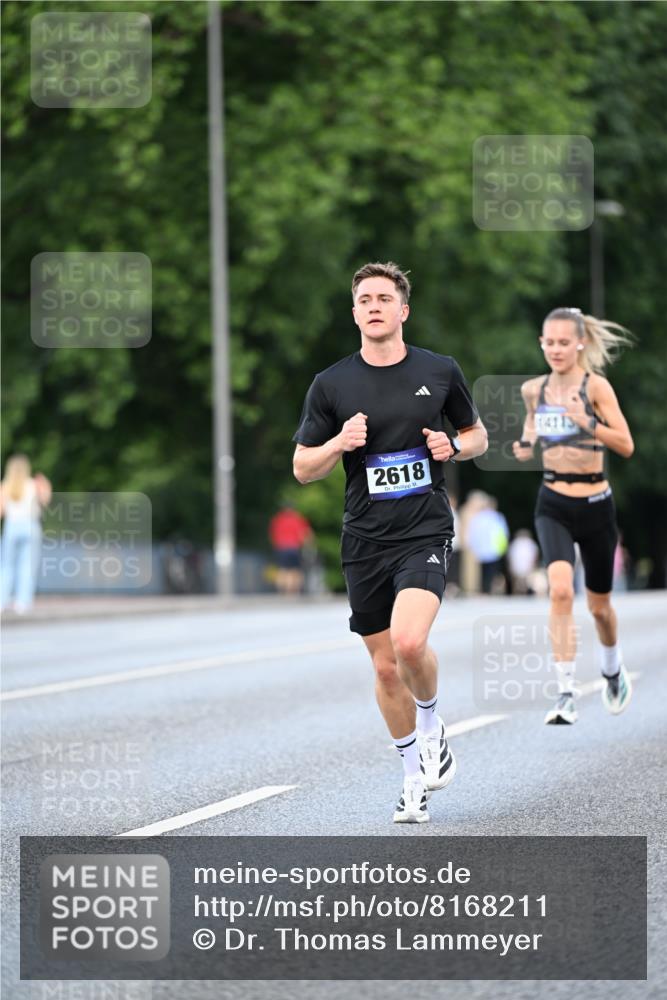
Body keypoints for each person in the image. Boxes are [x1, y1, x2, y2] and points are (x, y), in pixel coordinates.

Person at [293, 261, 487, 823]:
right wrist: (338, 443)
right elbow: (303, 468)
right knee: (383, 668)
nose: (374, 306)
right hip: (364, 539)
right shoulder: (331, 384)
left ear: (403, 310)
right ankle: (411, 781)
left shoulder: (439, 371)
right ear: (354, 313)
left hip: (424, 529)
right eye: (365, 300)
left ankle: (431, 727)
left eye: (384, 298)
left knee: (408, 642)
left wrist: (454, 446)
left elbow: (477, 435)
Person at [513, 307, 634, 725]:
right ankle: (565, 692)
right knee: (561, 591)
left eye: (564, 342)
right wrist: (525, 445)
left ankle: (612, 670)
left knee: (599, 607)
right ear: (541, 343)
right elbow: (532, 428)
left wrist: (588, 423)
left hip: (596, 503)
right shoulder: (534, 389)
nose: (556, 349)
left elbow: (626, 444)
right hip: (553, 503)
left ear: (580, 343)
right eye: (549, 342)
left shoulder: (595, 387)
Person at [0, 454, 52, 614]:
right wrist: (46, 485)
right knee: (27, 566)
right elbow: (46, 501)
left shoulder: (5, 486)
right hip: (30, 526)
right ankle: (22, 603)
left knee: (6, 566)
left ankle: (2, 600)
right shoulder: (33, 484)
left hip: (11, 526)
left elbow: (1, 511)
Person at [465, 494, 509, 594]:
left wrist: (474, 547)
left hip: (482, 550)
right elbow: (504, 533)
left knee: (483, 572)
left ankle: (484, 589)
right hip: (495, 549)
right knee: (493, 571)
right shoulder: (498, 517)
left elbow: (473, 534)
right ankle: (491, 589)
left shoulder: (478, 517)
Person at [268, 503, 314, 595]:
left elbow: (272, 534)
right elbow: (305, 533)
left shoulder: (277, 519)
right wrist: (308, 545)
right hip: (294, 547)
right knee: (295, 570)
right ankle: (293, 591)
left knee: (282, 569)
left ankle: (283, 591)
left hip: (281, 547)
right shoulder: (297, 518)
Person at [507, 529, 540, 595]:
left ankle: (518, 593)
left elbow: (510, 557)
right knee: (522, 582)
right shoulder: (530, 544)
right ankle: (521, 592)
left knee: (520, 582)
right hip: (524, 567)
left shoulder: (515, 544)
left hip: (519, 567)